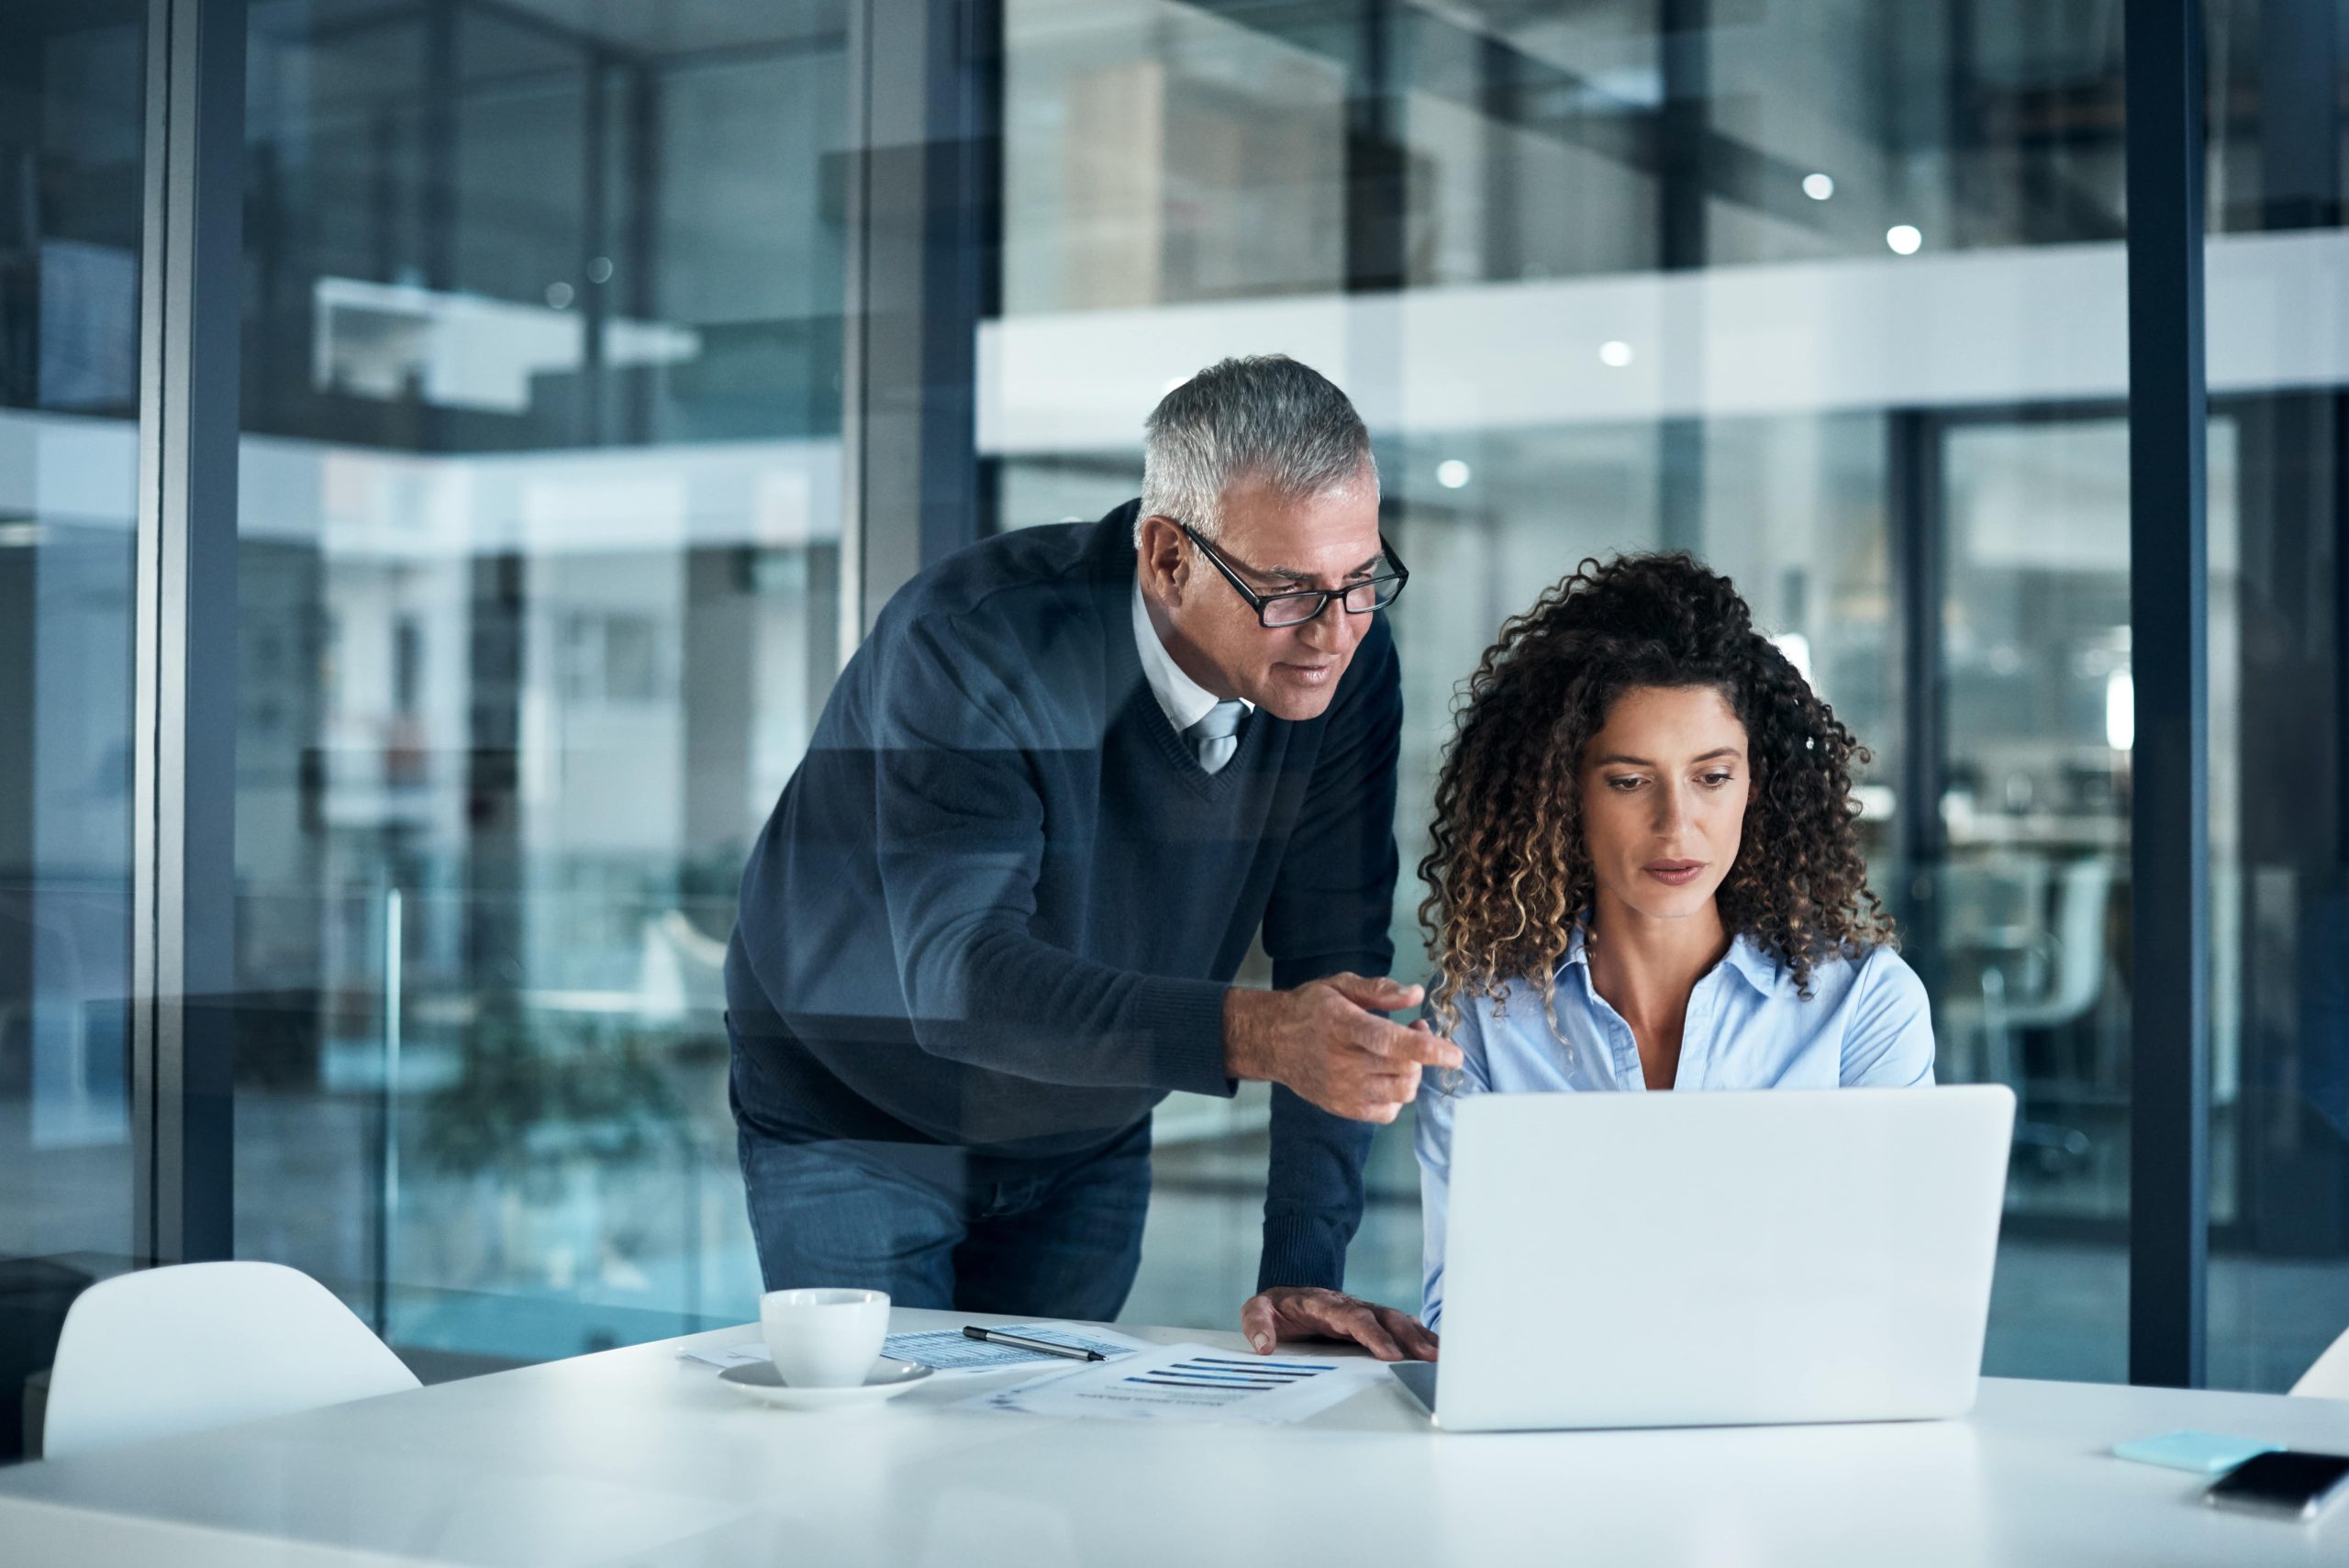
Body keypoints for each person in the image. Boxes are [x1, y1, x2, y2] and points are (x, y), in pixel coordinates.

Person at [726, 354, 1453, 1361]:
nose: (1335, 631)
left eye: (1361, 579)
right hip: (860, 1110)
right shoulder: (976, 642)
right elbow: (959, 982)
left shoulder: (1343, 667)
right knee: (874, 1438)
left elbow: (1334, 964)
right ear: (1168, 557)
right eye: (1288, 590)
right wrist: (1260, 1033)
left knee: (1047, 1438)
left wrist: (1302, 1264)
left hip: (1088, 1122)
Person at [1408, 552, 1934, 1330]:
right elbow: (1461, 1312)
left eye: (1712, 777)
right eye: (1629, 781)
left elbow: (1898, 1301)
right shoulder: (1479, 1019)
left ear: (1755, 783)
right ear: (1562, 793)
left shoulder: (1864, 1006)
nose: (1676, 825)